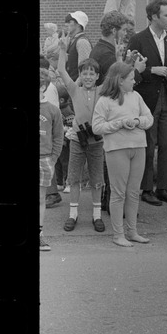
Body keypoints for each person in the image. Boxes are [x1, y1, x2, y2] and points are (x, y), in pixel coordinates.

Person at [91, 62, 154, 247]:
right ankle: (118, 234)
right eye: (131, 79)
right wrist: (118, 124)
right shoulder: (104, 100)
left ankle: (132, 232)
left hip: (139, 147)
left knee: (134, 192)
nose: (134, 82)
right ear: (120, 80)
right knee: (118, 193)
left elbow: (149, 118)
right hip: (116, 149)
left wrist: (136, 120)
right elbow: (96, 127)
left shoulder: (136, 96)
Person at [127, 0, 167, 207]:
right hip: (147, 100)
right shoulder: (138, 40)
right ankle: (146, 189)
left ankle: (164, 188)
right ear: (154, 17)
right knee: (148, 146)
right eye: (166, 15)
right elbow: (131, 70)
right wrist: (152, 70)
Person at [56, 42, 106, 232]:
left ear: (97, 76)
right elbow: (61, 69)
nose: (87, 76)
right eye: (84, 73)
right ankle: (73, 214)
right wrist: (62, 49)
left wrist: (119, 56)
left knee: (96, 179)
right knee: (74, 178)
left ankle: (97, 215)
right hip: (78, 140)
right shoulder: (74, 89)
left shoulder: (102, 91)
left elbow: (115, 76)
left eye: (91, 73)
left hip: (96, 141)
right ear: (80, 75)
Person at [39, 68, 64, 252]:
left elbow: (58, 137)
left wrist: (53, 158)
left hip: (44, 159)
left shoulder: (53, 110)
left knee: (40, 198)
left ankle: (39, 234)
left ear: (42, 86)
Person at [61, 11, 92, 80]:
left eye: (70, 22)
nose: (66, 25)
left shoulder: (82, 42)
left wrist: (74, 87)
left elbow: (84, 70)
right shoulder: (72, 41)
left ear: (78, 24)